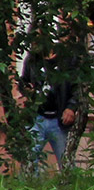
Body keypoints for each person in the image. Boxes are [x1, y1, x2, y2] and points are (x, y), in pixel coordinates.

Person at [18, 44, 80, 173]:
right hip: (37, 117)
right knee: (30, 159)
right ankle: (29, 189)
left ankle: (69, 188)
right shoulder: (32, 59)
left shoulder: (68, 59)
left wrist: (71, 108)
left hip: (59, 118)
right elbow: (24, 81)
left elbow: (77, 88)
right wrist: (27, 90)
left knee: (66, 161)